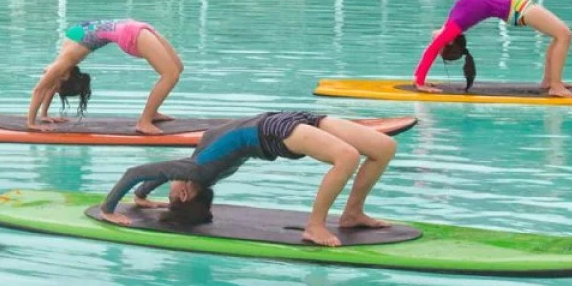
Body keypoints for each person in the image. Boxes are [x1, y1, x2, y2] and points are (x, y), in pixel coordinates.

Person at [96, 111, 396, 248]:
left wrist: (139, 197)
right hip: (272, 132)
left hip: (290, 118)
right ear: (184, 194)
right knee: (346, 157)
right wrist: (109, 209)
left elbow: (152, 175)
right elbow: (136, 173)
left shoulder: (194, 171)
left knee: (384, 147)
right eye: (171, 193)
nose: (169, 182)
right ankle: (314, 226)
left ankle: (352, 213)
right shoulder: (196, 172)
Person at [28, 20, 183, 135]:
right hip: (133, 27)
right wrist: (44, 114)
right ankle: (148, 117)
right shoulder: (63, 63)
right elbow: (49, 85)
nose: (52, 87)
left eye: (55, 88)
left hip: (133, 32)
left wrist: (31, 123)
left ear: (62, 78)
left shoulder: (64, 62)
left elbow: (39, 89)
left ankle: (146, 120)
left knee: (174, 71)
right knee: (173, 72)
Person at [414, 0, 572, 97]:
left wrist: (419, 79)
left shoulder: (450, 23)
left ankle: (549, 81)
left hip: (519, 6)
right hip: (518, 10)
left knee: (559, 36)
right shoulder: (452, 29)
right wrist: (420, 82)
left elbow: (433, 47)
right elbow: (432, 50)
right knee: (564, 35)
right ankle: (555, 86)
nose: (437, 43)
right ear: (449, 42)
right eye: (441, 47)